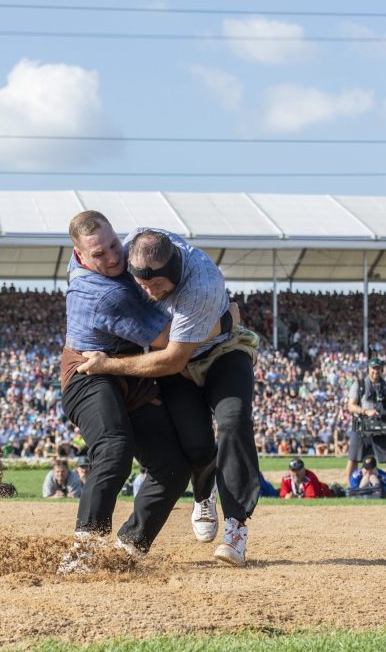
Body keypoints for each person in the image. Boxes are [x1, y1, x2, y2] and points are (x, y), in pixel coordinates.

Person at [77, 226, 258, 567]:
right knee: (196, 445)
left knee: (234, 420)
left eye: (157, 285)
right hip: (178, 363)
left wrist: (109, 364)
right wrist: (224, 319)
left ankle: (236, 528)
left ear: (174, 273)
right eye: (142, 284)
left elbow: (173, 357)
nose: (148, 291)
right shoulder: (127, 250)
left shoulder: (201, 283)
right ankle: (204, 494)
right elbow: (87, 253)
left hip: (220, 351)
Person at [58, 211, 193, 565]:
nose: (114, 258)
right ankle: (84, 552)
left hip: (129, 373)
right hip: (88, 373)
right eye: (99, 255)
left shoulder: (104, 261)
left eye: (114, 245)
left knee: (174, 468)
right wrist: (222, 318)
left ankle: (128, 548)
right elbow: (168, 339)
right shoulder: (101, 293)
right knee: (114, 450)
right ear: (80, 256)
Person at [346, 358, 386, 498]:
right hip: (361, 427)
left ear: (381, 370)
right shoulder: (359, 384)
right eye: (373, 368)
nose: (375, 371)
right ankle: (350, 488)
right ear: (368, 369)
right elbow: (351, 406)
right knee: (353, 460)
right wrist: (366, 412)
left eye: (378, 368)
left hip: (381, 428)